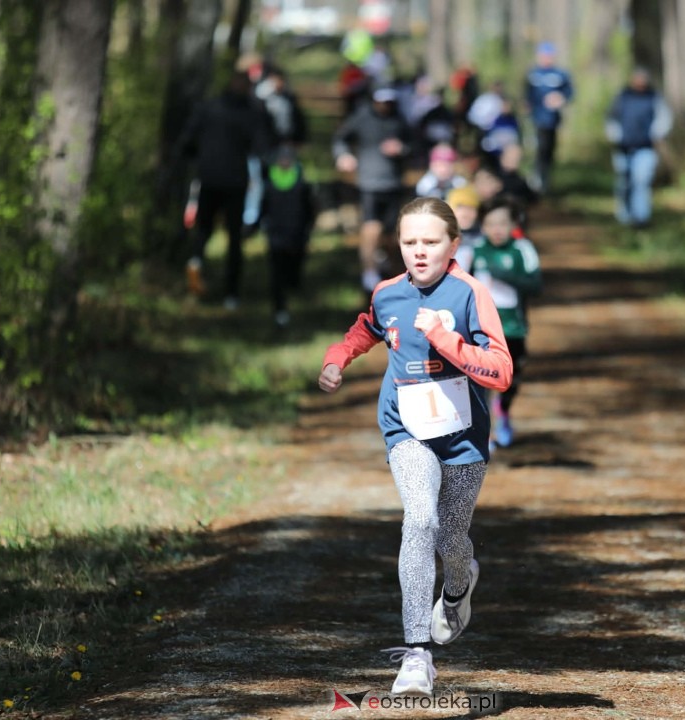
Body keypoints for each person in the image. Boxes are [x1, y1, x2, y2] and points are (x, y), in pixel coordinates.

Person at [318, 197, 513, 696]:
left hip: (463, 437)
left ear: (453, 245)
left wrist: (447, 341)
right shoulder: (388, 293)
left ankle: (457, 586)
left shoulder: (470, 294)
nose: (419, 252)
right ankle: (416, 654)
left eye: (430, 242)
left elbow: (502, 371)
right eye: (410, 242)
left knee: (451, 535)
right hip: (405, 428)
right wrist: (339, 357)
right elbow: (368, 329)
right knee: (419, 520)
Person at [175, 71, 273, 309]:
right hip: (234, 182)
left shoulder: (208, 108)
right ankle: (230, 293)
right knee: (233, 238)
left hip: (208, 178)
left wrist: (196, 160)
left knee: (203, 231)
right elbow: (262, 147)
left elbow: (187, 141)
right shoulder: (251, 113)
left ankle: (197, 268)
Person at [465, 195, 542, 449]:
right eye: (490, 224)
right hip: (483, 331)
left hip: (514, 327)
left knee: (512, 377)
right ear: (482, 225)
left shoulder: (522, 249)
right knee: (483, 378)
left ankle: (504, 412)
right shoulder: (474, 250)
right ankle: (485, 431)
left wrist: (507, 276)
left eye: (502, 223)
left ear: (513, 225)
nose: (496, 230)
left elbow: (536, 284)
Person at [333, 85, 412, 294]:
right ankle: (369, 271)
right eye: (382, 101)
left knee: (392, 232)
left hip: (393, 183)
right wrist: (343, 155)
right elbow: (340, 138)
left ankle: (394, 272)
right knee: (370, 227)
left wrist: (402, 149)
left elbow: (414, 144)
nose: (385, 106)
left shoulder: (399, 119)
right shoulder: (362, 117)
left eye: (389, 102)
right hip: (369, 183)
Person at [605, 66, 673, 228]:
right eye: (638, 78)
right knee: (624, 182)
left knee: (641, 181)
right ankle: (624, 217)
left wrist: (656, 133)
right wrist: (614, 135)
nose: (640, 82)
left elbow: (664, 118)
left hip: (645, 147)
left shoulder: (654, 97)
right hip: (623, 147)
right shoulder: (622, 97)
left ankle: (641, 218)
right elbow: (610, 117)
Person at [259, 144, 316, 327]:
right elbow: (263, 209)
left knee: (290, 273)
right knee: (278, 275)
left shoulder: (301, 185)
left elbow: (309, 210)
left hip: (294, 236)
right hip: (279, 236)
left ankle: (289, 295)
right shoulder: (270, 183)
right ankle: (280, 309)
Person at [524, 41, 573, 193]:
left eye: (549, 55)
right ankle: (535, 181)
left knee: (549, 151)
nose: (547, 58)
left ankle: (546, 181)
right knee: (539, 150)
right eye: (544, 55)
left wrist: (560, 99)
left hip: (552, 121)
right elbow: (526, 95)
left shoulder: (560, 74)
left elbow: (570, 93)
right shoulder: (533, 74)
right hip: (536, 120)